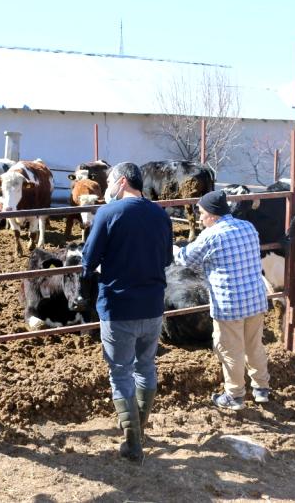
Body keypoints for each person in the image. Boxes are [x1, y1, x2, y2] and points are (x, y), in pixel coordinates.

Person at [81, 162, 173, 461]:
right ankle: (141, 430)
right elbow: (168, 258)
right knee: (146, 367)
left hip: (118, 306)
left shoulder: (108, 213)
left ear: (121, 182)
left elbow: (88, 259)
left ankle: (132, 441)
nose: (106, 185)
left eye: (109, 180)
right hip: (153, 305)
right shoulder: (161, 214)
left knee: (120, 371)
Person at [173, 189, 270, 411]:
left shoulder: (211, 234)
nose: (199, 218)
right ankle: (261, 388)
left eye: (201, 213)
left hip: (229, 303)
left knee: (230, 349)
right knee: (255, 345)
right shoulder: (248, 227)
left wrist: (175, 249)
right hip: (255, 298)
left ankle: (234, 396)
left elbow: (187, 260)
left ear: (213, 215)